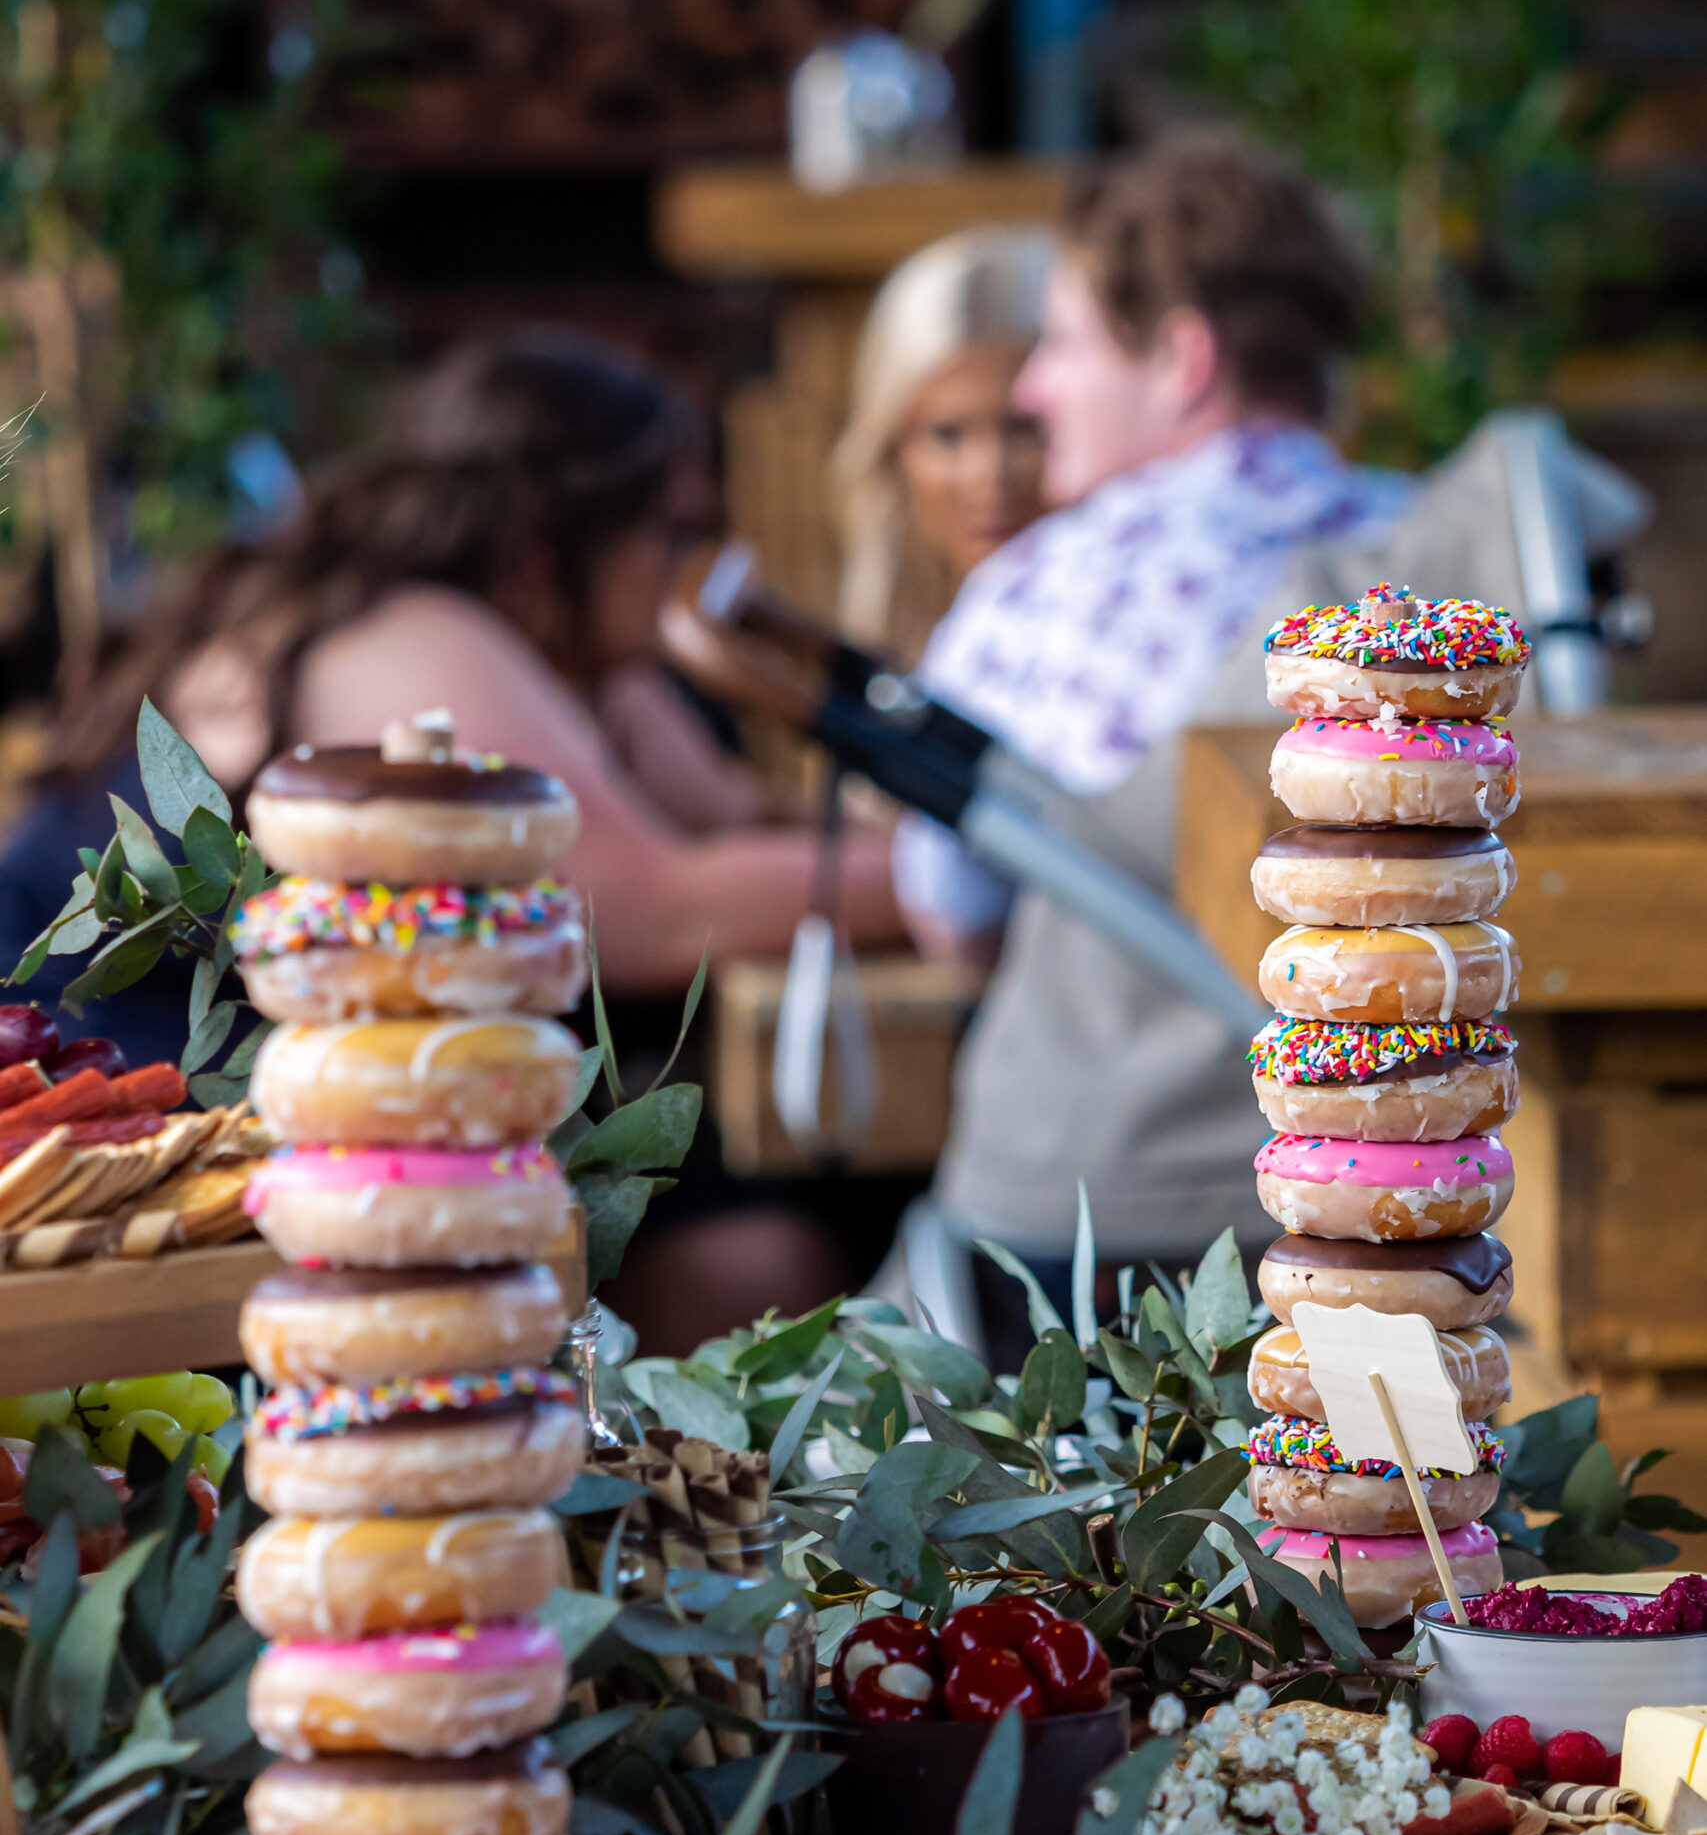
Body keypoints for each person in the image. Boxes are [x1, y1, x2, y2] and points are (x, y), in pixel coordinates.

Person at [0, 329, 904, 1344]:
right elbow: (643, 910)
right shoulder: (408, 637)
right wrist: (968, 875)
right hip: (106, 1123)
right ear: (547, 541)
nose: (690, 573)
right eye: (672, 532)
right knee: (764, 1251)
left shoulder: (564, 656)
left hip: (309, 1113)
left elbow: (729, 816)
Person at [891, 128, 1410, 1346]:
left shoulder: (1046, 595)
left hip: (1094, 1219)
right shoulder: (1435, 558)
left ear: (1182, 358)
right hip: (1395, 1193)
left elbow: (949, 915)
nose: (1031, 390)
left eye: (1064, 341)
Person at [830, 226, 1052, 662]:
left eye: (1024, 428)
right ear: (892, 451)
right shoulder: (870, 646)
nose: (990, 473)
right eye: (947, 434)